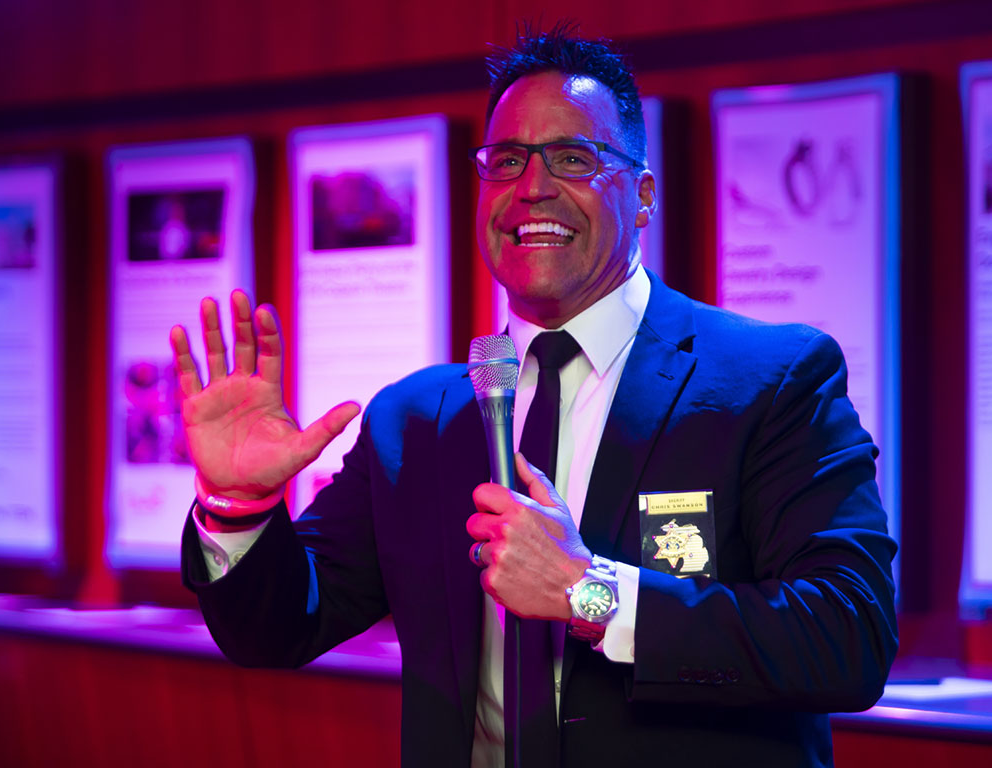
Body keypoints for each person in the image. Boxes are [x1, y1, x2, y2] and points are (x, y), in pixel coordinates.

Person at [170, 25, 898, 768]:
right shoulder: (413, 423)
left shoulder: (768, 379)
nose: (533, 188)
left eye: (573, 158)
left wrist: (591, 593)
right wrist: (239, 505)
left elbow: (848, 637)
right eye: (507, 161)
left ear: (643, 196)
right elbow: (278, 628)